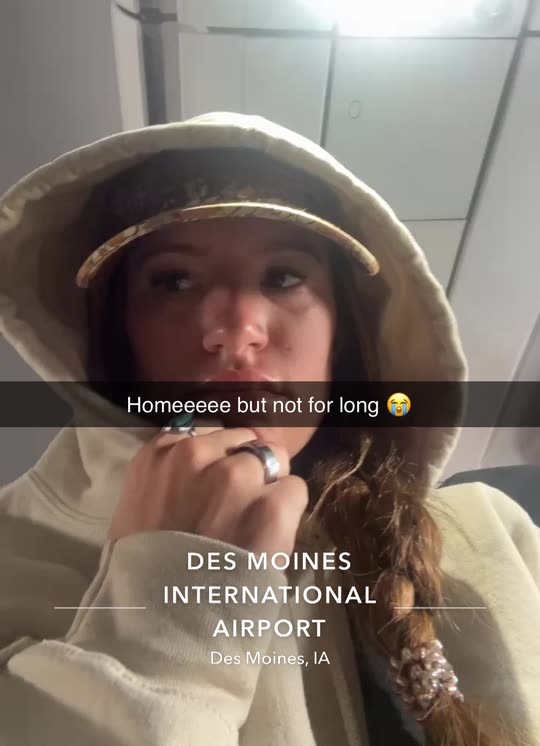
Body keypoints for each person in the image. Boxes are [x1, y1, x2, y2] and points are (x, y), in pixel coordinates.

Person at [0, 110, 538, 746]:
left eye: (285, 276)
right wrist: (167, 636)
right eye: (174, 281)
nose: (236, 332)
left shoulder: (493, 536)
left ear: (341, 337)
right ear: (117, 335)